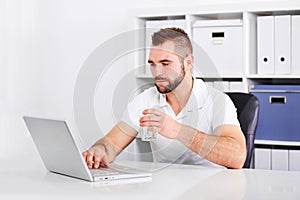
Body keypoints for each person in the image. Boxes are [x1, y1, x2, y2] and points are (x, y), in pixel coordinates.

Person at [82, 27, 246, 169]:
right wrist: (99, 151)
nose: (157, 72)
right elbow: (111, 144)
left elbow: (237, 157)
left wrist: (177, 130)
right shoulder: (145, 100)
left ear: (188, 62)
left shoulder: (217, 100)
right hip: (163, 189)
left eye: (165, 63)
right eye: (152, 64)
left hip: (211, 190)